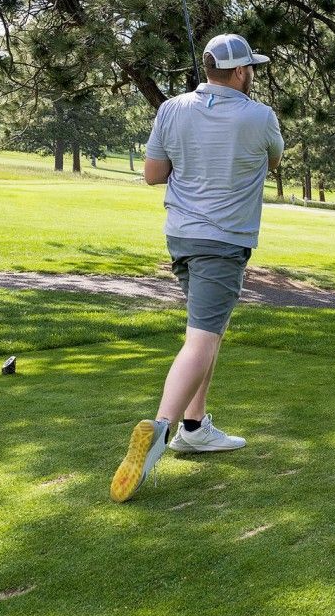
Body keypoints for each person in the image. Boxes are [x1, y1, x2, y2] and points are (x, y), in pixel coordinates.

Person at [110, 33, 285, 503]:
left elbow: (153, 174)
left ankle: (194, 427)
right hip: (224, 243)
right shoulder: (261, 115)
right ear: (242, 72)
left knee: (205, 332)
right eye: (252, 69)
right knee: (202, 338)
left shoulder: (170, 108)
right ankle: (161, 430)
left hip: (181, 238)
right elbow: (273, 157)